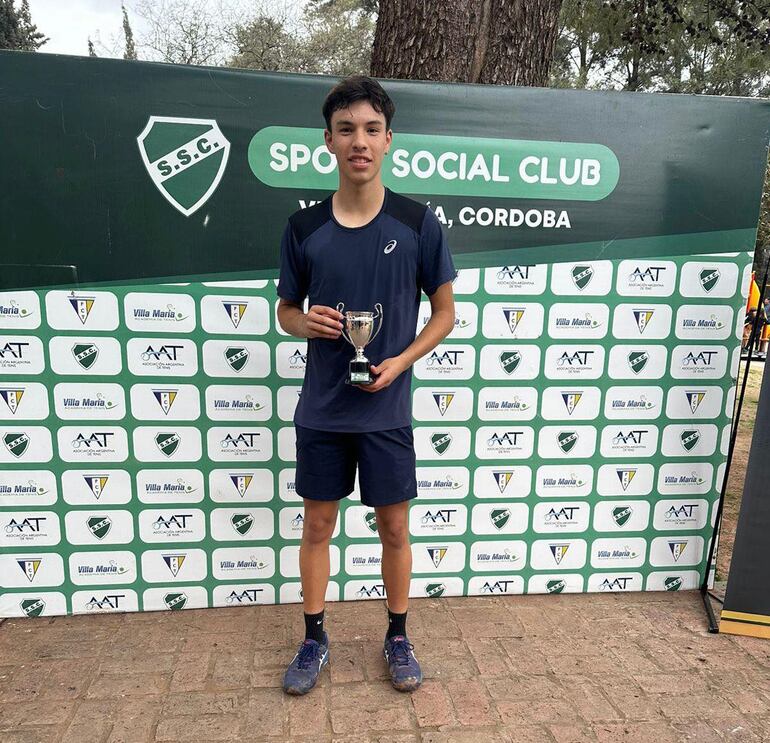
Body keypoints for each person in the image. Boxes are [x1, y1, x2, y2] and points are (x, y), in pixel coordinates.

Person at [276, 75, 456, 695]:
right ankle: (314, 637)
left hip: (386, 414)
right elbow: (286, 312)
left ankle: (398, 636)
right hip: (323, 411)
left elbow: (445, 314)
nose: (360, 141)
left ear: (388, 141)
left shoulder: (417, 223)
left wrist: (400, 361)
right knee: (317, 528)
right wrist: (307, 322)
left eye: (372, 130)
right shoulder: (303, 228)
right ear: (327, 141)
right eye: (347, 129)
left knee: (395, 531)